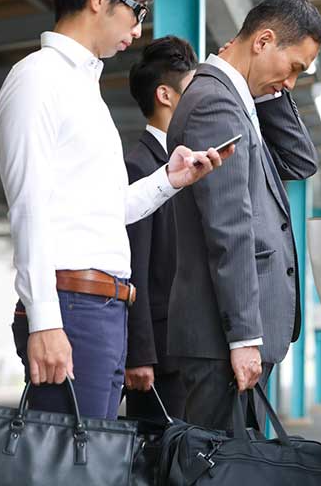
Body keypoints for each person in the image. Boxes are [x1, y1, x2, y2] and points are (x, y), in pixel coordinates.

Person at [0, 0, 230, 421]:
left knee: (90, 467)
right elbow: (28, 205)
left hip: (100, 307)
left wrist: (172, 179)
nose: (139, 29)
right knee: (68, 467)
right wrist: (44, 320)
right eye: (137, 10)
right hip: (71, 305)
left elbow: (106, 210)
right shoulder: (38, 79)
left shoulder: (83, 88)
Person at [167, 0, 321, 430]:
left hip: (229, 339)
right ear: (263, 41)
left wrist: (268, 91)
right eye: (294, 67)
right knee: (220, 470)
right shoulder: (216, 104)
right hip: (223, 339)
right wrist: (244, 337)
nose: (292, 82)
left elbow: (299, 161)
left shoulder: (236, 100)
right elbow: (229, 226)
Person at [123, 36, 198, 420]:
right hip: (158, 361)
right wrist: (139, 355)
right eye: (192, 90)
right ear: (165, 95)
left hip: (184, 348)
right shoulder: (140, 166)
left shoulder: (181, 161)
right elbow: (133, 268)